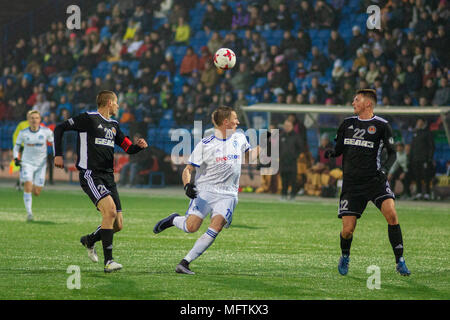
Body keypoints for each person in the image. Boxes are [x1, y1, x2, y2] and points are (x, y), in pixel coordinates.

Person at [153, 106, 268, 274]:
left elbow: (249, 156)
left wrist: (264, 144)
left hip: (228, 194)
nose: (238, 121)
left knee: (217, 225)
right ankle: (173, 220)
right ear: (226, 122)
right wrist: (187, 185)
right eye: (235, 119)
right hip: (205, 191)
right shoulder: (205, 145)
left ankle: (185, 263)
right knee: (191, 227)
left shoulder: (240, 137)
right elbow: (188, 169)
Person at [53, 90, 148, 273]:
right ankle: (109, 262)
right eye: (116, 102)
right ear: (109, 102)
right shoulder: (88, 118)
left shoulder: (113, 125)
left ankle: (89, 240)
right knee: (110, 211)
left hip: (108, 177)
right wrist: (58, 154)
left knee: (118, 224)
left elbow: (127, 147)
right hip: (91, 174)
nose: (118, 106)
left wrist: (138, 146)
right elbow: (59, 128)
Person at [325, 89, 411, 276]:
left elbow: (393, 152)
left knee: (392, 215)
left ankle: (400, 261)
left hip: (374, 180)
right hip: (351, 184)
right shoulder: (347, 124)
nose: (353, 103)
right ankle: (345, 256)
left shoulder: (381, 125)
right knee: (347, 230)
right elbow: (338, 149)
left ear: (368, 104)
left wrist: (385, 171)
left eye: (356, 100)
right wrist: (332, 152)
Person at [13, 110, 54, 221]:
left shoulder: (46, 131)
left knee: (36, 192)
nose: (34, 120)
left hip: (41, 165)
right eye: (32, 118)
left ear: (40, 120)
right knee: (28, 185)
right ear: (29, 120)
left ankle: (26, 184)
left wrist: (56, 155)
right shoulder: (23, 133)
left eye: (36, 118)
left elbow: (54, 142)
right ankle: (29, 213)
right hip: (27, 163)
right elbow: (16, 147)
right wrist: (16, 158)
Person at [409, 118, 435, 200]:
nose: (418, 123)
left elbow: (432, 147)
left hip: (425, 159)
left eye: (420, 122)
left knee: (426, 176)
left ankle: (427, 193)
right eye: (418, 121)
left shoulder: (428, 133)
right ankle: (419, 193)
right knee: (417, 176)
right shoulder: (415, 133)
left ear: (423, 123)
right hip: (416, 159)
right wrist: (411, 157)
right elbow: (412, 147)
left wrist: (429, 158)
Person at [279, 119, 303, 200]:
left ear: (292, 126)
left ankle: (293, 196)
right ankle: (283, 195)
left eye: (288, 126)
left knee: (293, 180)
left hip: (292, 162)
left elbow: (300, 148)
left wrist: (295, 156)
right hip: (283, 162)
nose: (286, 127)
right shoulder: (281, 136)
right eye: (285, 126)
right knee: (284, 180)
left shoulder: (296, 136)